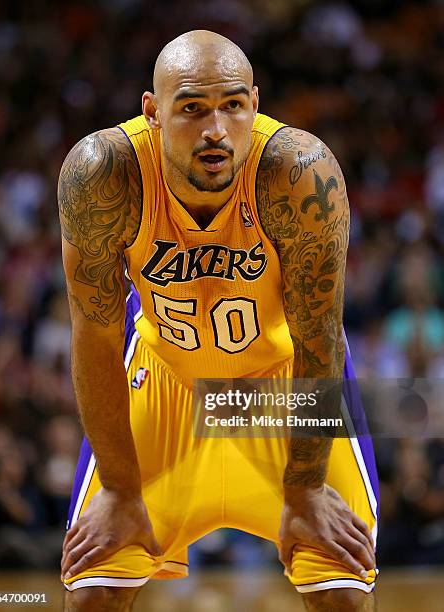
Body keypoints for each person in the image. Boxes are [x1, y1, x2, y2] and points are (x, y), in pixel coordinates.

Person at [58, 30, 379, 612]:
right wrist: (121, 489)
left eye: (233, 105)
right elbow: (96, 334)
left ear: (254, 103)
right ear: (152, 113)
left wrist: (306, 487)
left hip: (284, 388)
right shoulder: (104, 173)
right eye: (192, 109)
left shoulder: (298, 171)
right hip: (164, 383)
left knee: (345, 596)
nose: (215, 129)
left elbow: (320, 335)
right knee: (93, 592)